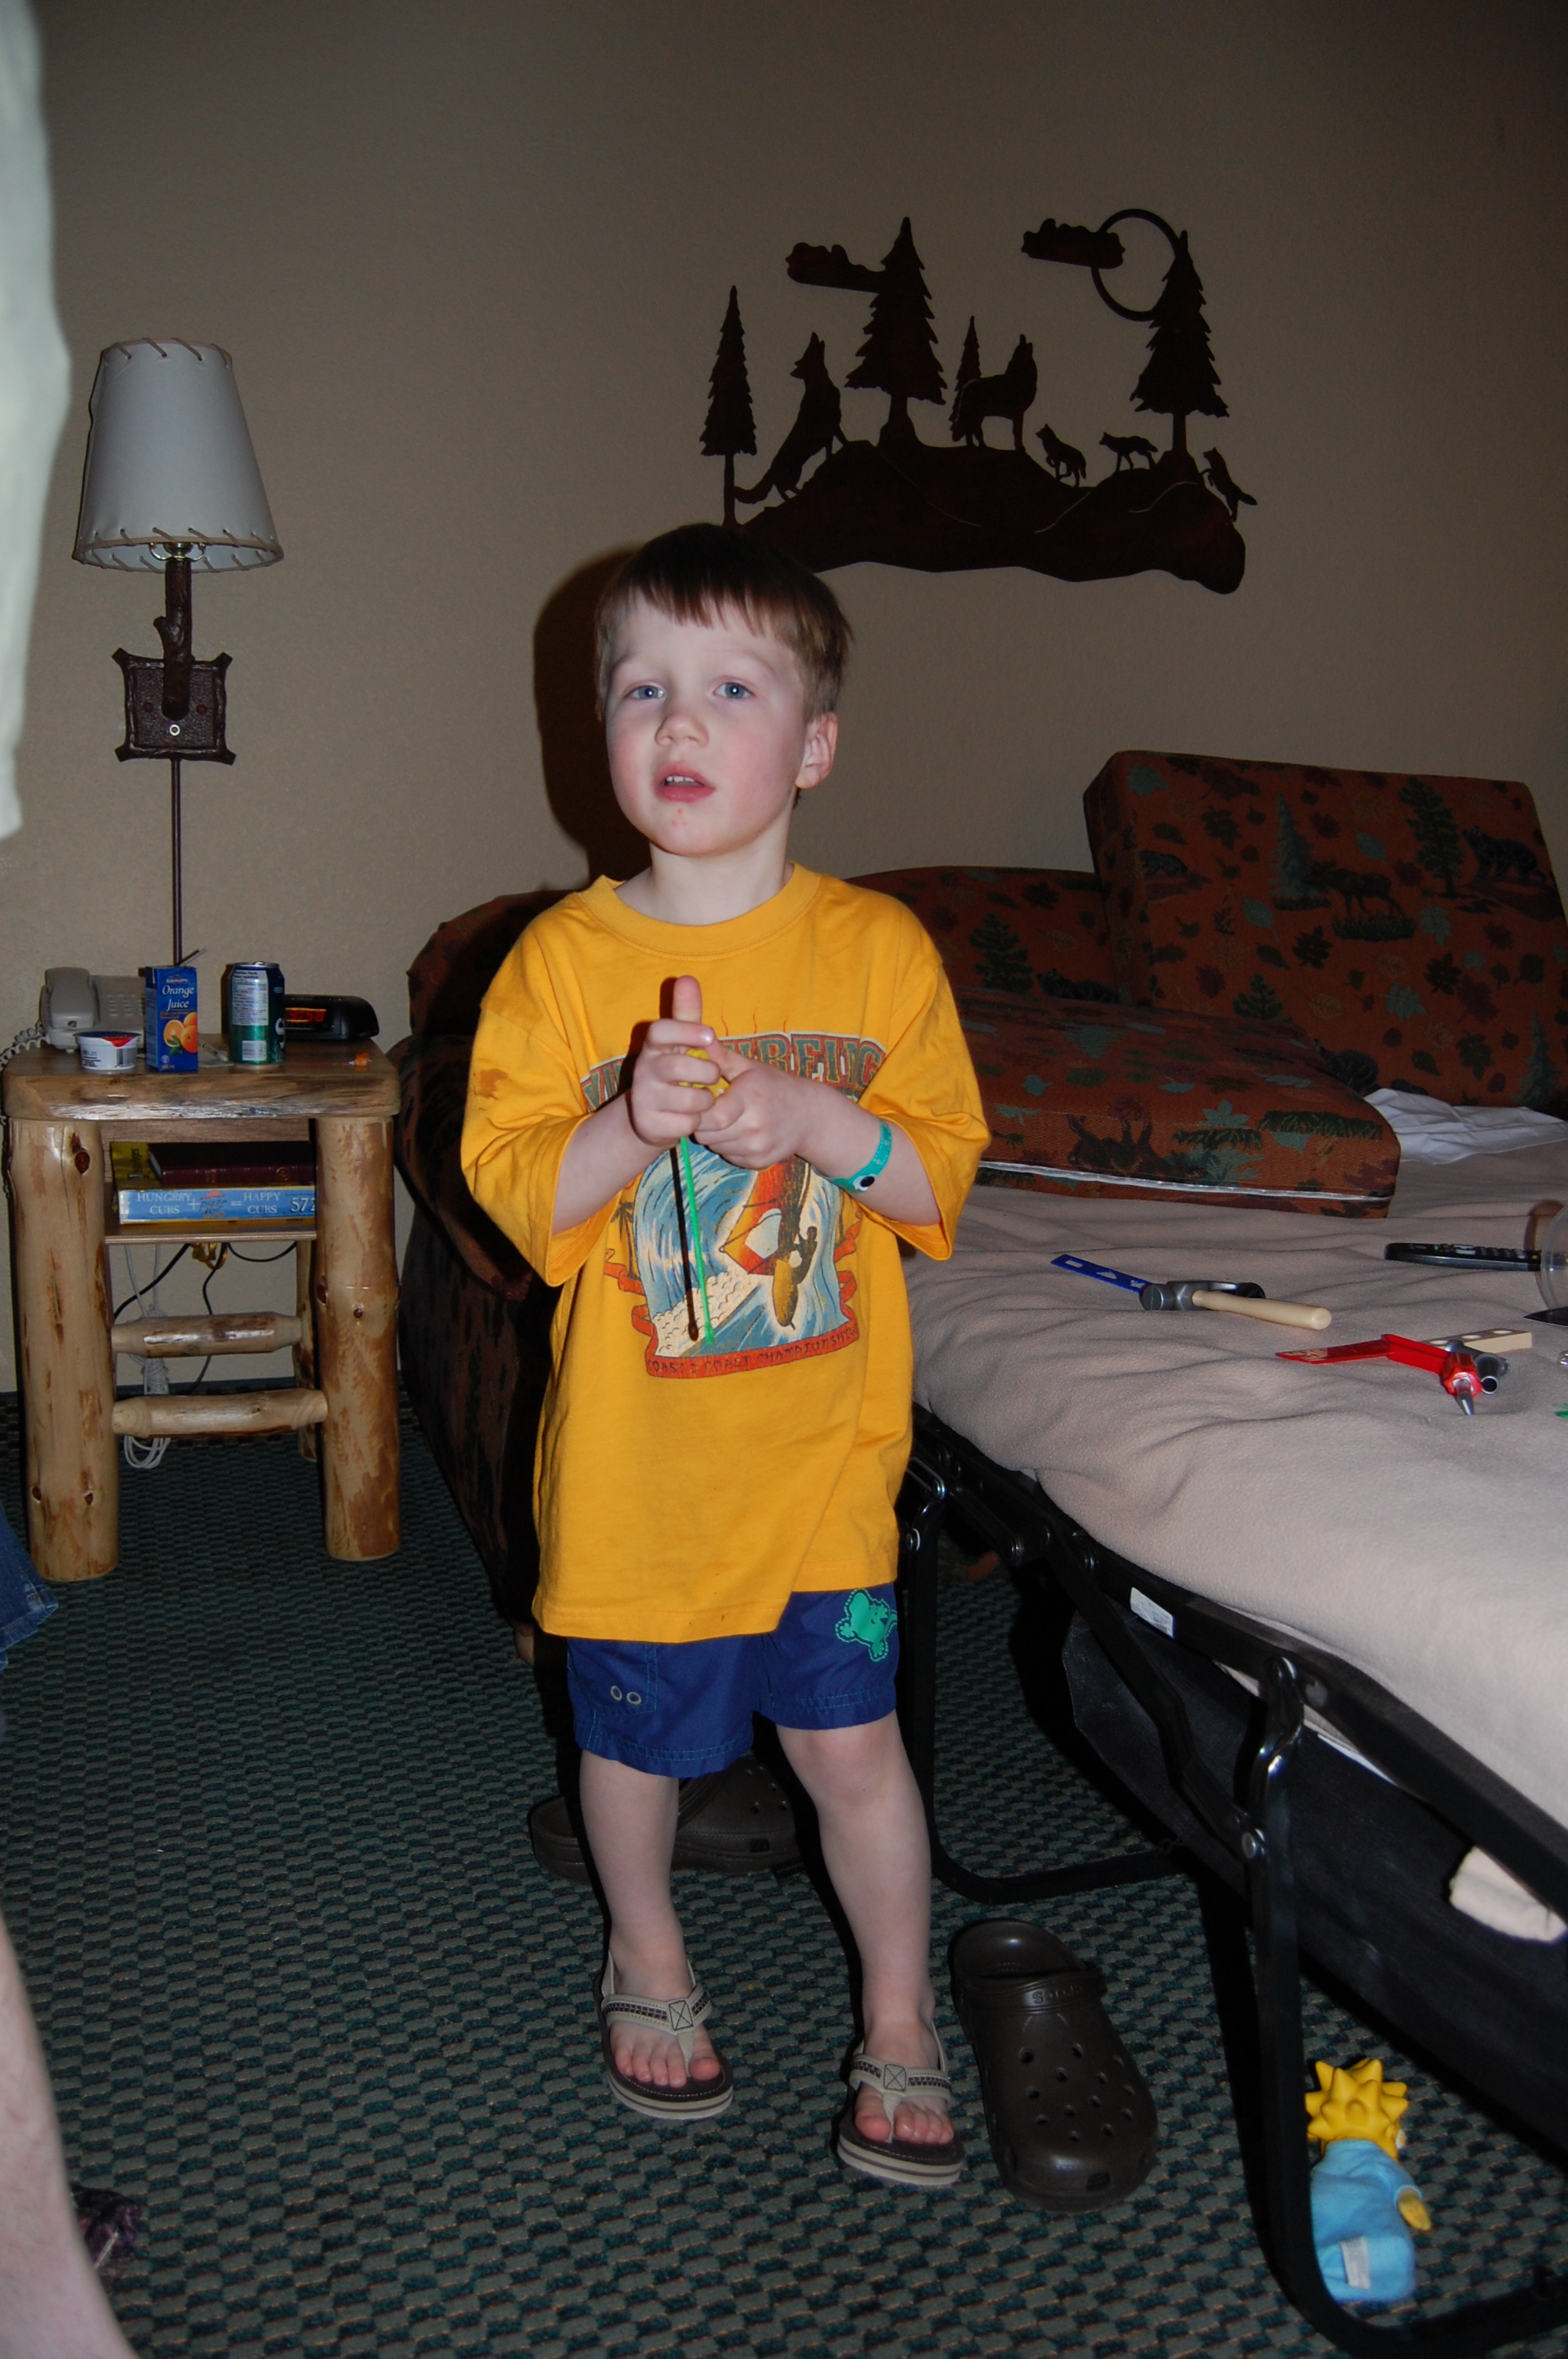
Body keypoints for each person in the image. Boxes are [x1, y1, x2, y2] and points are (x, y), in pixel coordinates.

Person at [463, 524, 988, 2185]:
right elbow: (514, 1195)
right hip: (644, 1485)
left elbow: (938, 1182)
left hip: (826, 1469)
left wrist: (822, 1120)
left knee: (855, 1748)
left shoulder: (880, 954)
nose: (678, 723)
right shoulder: (559, 965)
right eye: (642, 690)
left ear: (815, 745)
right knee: (630, 1749)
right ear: (600, 729)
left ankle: (900, 2008)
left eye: (730, 689)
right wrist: (630, 1122)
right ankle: (647, 1949)